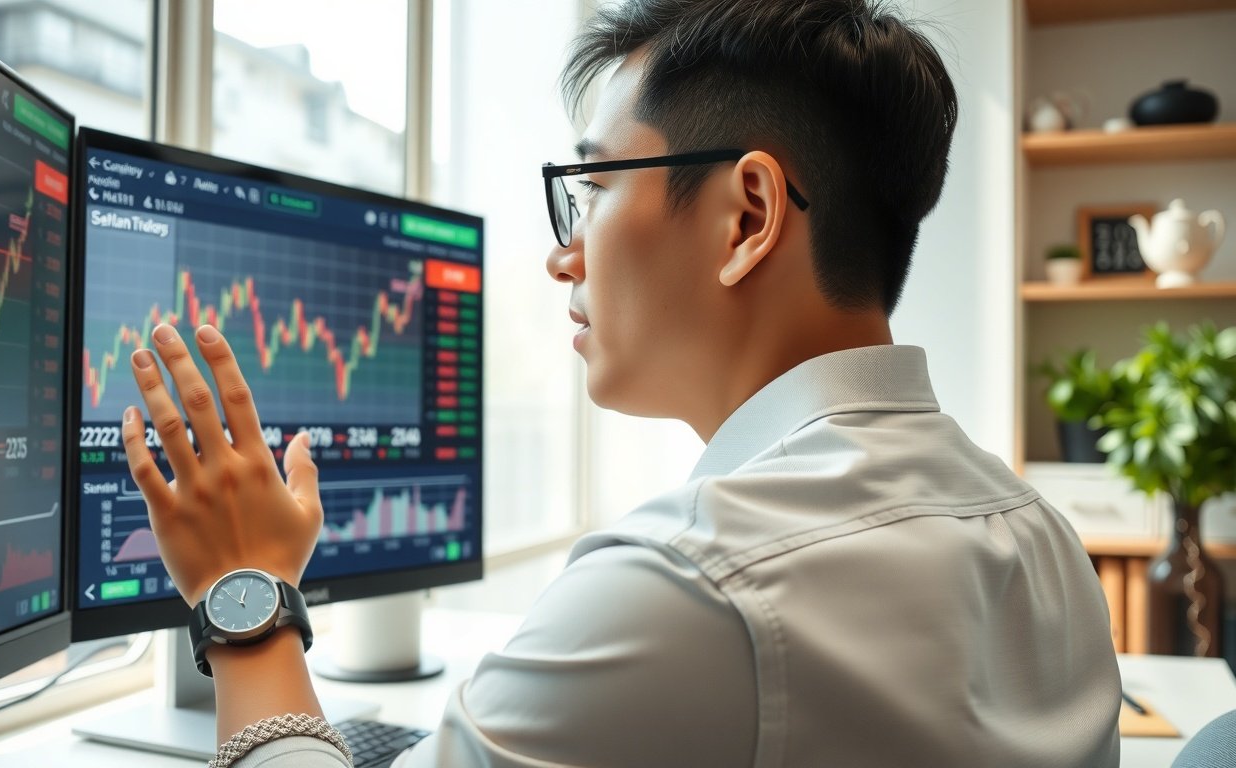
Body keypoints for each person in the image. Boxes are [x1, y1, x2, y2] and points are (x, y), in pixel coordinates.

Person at [121, 0, 1123, 765]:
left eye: (593, 188)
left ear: (746, 217)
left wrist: (241, 596)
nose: (565, 259)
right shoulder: (1041, 539)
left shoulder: (691, 585)